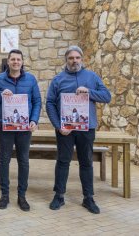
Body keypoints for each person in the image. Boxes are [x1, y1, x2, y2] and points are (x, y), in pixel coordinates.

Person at [46, 45, 111, 214]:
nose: (74, 61)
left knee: (86, 162)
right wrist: (57, 125)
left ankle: (88, 198)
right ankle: (59, 196)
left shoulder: (92, 77)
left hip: (86, 128)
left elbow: (107, 96)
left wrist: (89, 92)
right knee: (63, 161)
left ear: (81, 59)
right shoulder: (58, 79)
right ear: (66, 60)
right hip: (65, 130)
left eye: (77, 58)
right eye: (71, 58)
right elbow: (50, 103)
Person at [0, 49, 41, 211]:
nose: (16, 62)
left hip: (24, 128)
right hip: (4, 127)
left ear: (22, 62)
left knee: (23, 160)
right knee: (4, 160)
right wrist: (1, 94)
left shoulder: (30, 80)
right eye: (13, 59)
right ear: (8, 62)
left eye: (18, 59)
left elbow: (37, 101)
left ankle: (22, 195)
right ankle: (5, 195)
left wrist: (34, 120)